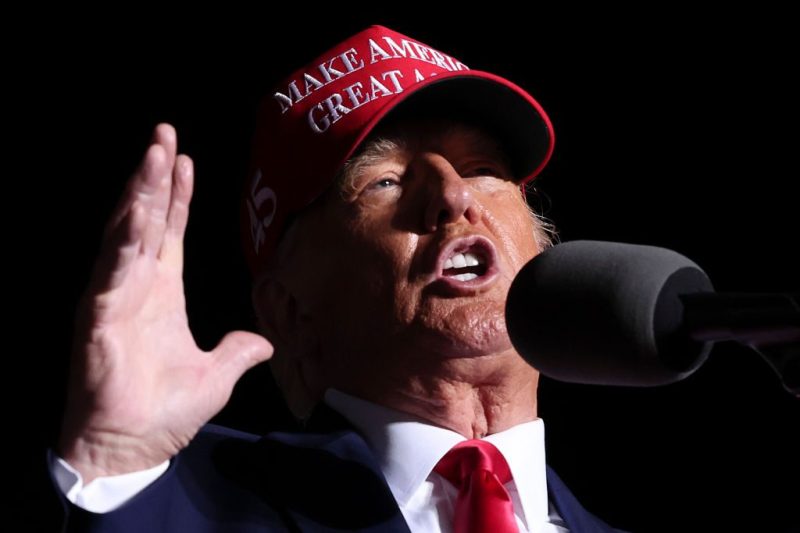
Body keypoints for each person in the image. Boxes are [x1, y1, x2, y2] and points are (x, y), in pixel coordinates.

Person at [50, 25, 624, 532]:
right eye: (386, 182)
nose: (453, 197)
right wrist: (116, 472)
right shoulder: (187, 506)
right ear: (291, 311)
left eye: (483, 170)